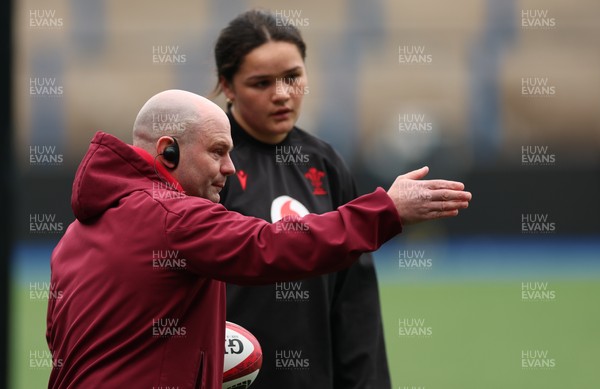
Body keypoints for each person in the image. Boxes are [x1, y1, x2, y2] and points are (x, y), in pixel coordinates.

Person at [46, 89, 471, 389]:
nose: (229, 167)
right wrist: (386, 211)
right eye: (217, 151)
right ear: (167, 151)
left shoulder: (74, 235)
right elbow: (271, 245)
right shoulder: (171, 216)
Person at [212, 9, 391, 388]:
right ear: (227, 86)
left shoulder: (324, 163)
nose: (281, 95)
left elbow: (354, 301)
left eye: (292, 77)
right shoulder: (208, 163)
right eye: (261, 83)